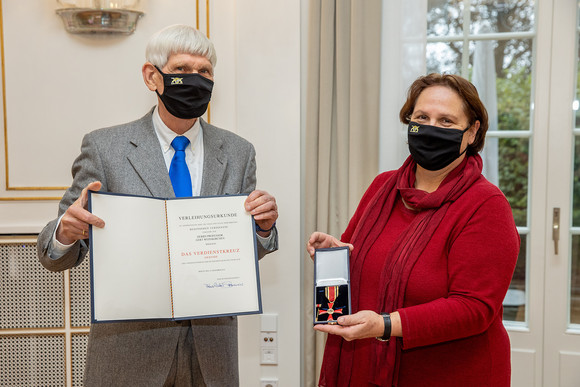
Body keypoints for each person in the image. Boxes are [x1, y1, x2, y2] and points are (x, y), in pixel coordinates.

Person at [37, 24, 278, 387]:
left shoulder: (239, 153)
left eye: (205, 72)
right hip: (129, 352)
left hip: (212, 354)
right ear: (153, 76)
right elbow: (53, 256)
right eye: (182, 71)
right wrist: (65, 233)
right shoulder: (105, 148)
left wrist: (262, 229)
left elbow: (238, 255)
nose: (195, 80)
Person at [307, 73, 519, 387]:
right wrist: (333, 254)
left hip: (448, 374)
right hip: (364, 367)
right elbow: (361, 263)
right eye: (422, 117)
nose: (431, 128)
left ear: (472, 132)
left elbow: (474, 308)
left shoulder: (486, 205)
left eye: (446, 121)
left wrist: (385, 324)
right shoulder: (383, 186)